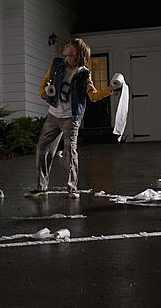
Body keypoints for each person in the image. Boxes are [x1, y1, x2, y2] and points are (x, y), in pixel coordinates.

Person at [26, 38, 116, 199]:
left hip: (71, 118)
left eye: (69, 45)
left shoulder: (84, 73)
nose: (66, 46)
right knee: (42, 148)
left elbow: (93, 96)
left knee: (69, 152)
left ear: (76, 52)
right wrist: (43, 92)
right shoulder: (57, 64)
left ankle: (72, 188)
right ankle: (41, 187)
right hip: (53, 114)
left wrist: (109, 89)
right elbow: (45, 80)